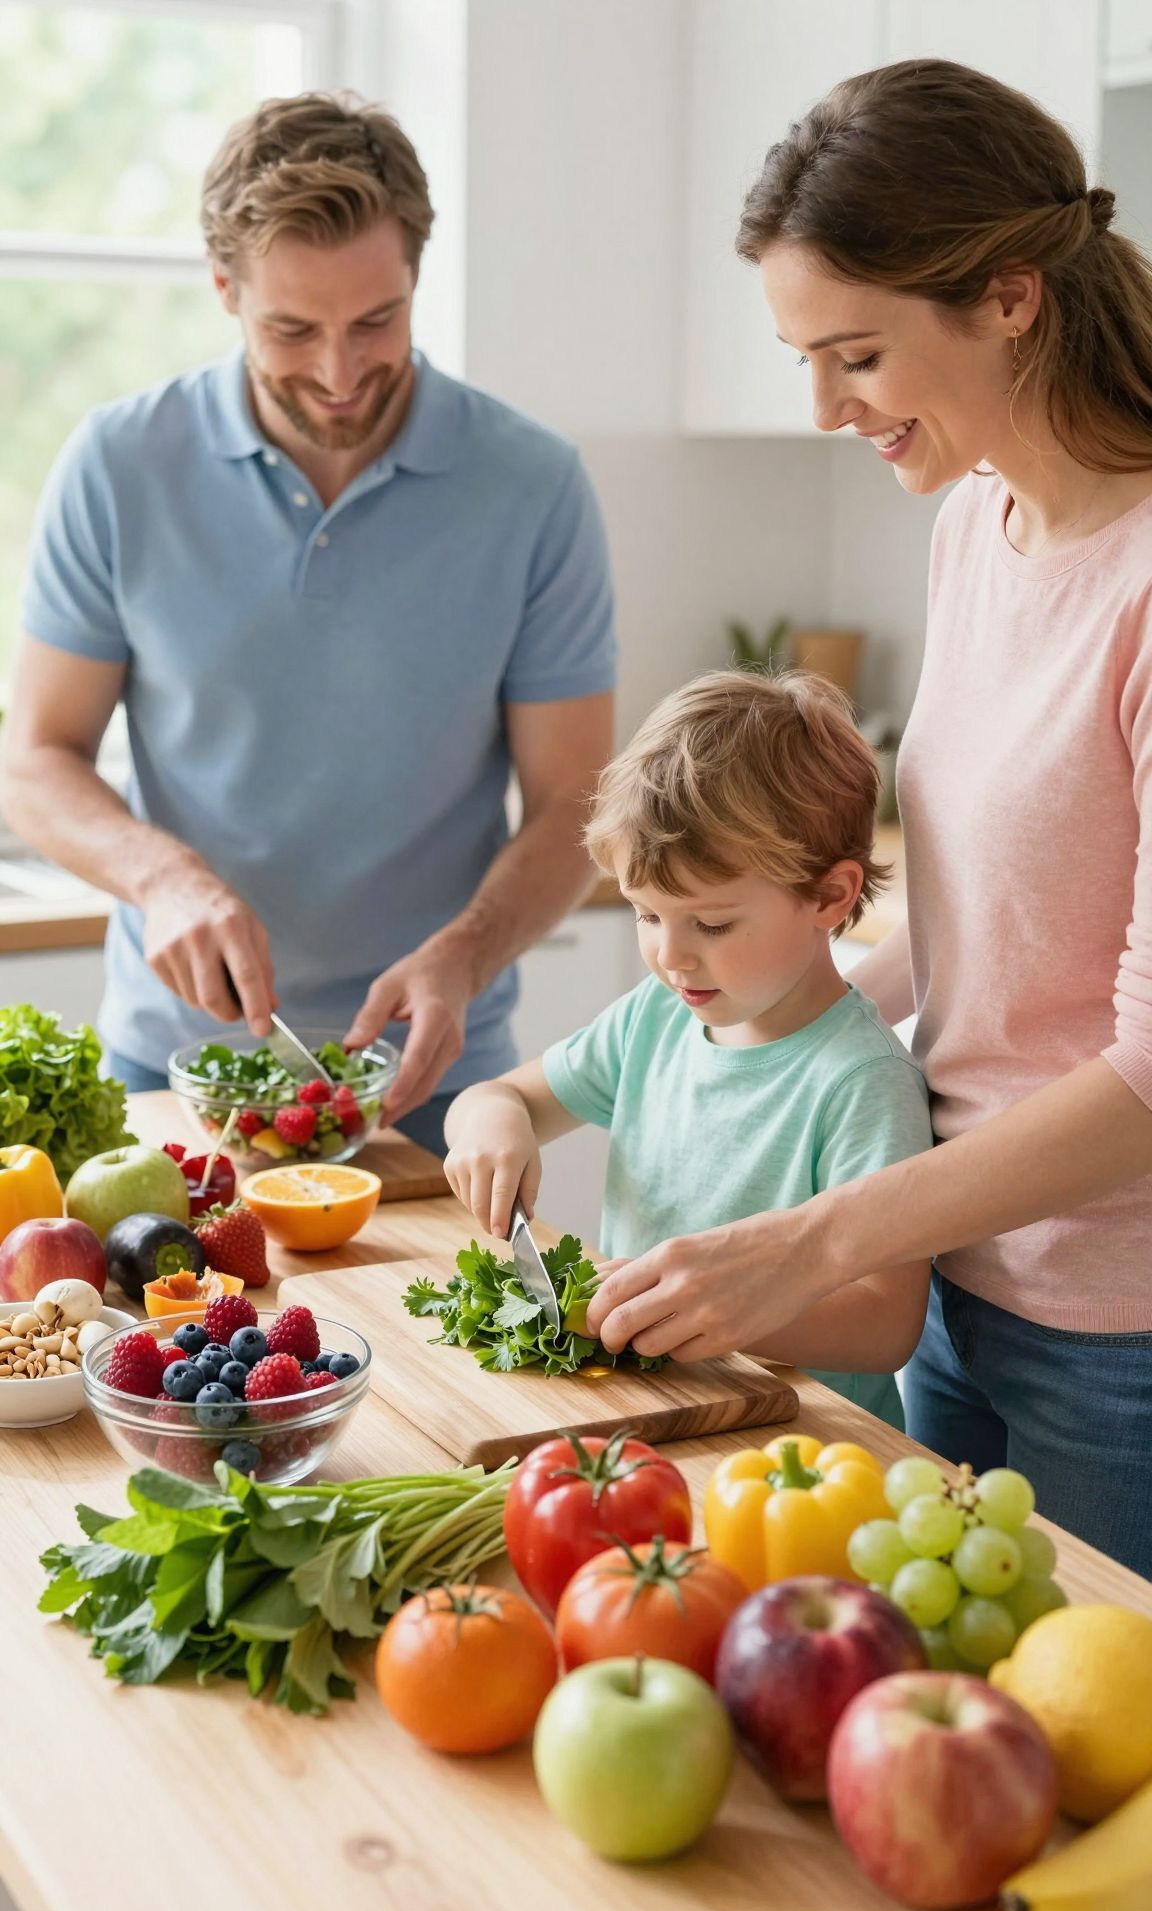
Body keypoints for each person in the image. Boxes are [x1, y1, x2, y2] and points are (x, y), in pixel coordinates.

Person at [586, 60, 1152, 1578]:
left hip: (1120, 1332)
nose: (828, 409)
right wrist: (732, 988)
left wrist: (816, 1239)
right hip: (957, 1274)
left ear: (1010, 298)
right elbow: (977, 928)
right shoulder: (977, 522)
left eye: (857, 356)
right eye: (803, 359)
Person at [0, 93, 616, 1155]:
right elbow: (35, 757)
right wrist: (163, 878)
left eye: (376, 321)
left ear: (416, 278)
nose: (339, 374)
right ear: (224, 288)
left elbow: (574, 802)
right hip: (174, 1068)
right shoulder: (117, 465)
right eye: (293, 329)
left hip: (430, 1071)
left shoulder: (533, 485)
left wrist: (465, 954)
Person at [443, 669, 934, 1426]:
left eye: (710, 925)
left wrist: (712, 1311)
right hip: (657, 1412)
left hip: (800, 1445)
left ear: (830, 898)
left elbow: (885, 1326)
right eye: (646, 915)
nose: (671, 957)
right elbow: (498, 1098)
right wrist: (491, 1128)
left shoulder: (863, 1080)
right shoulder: (657, 1017)